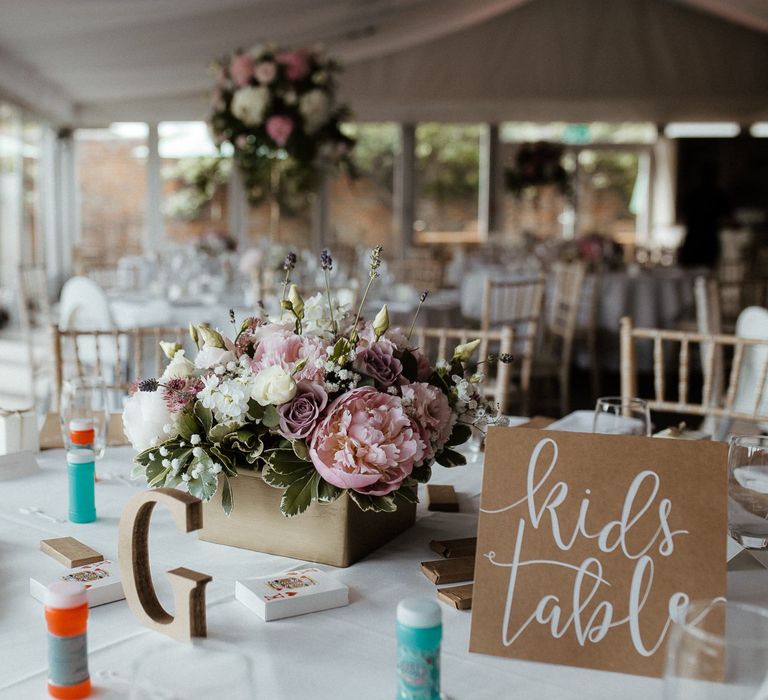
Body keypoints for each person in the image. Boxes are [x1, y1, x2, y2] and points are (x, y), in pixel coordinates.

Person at [678, 162, 733, 269]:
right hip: (704, 242)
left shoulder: (694, 194)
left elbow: (683, 215)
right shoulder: (717, 195)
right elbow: (728, 219)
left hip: (698, 241)